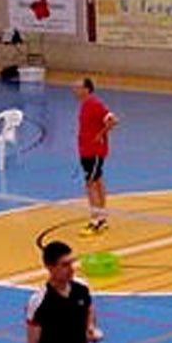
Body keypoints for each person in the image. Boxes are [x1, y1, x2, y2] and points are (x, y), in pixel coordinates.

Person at [74, 77, 118, 235]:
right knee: (98, 181)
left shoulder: (94, 104)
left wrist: (100, 135)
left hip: (94, 152)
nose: (74, 90)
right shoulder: (84, 105)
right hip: (86, 150)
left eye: (78, 87)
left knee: (90, 184)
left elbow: (113, 120)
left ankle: (96, 221)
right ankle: (102, 218)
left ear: (87, 89)